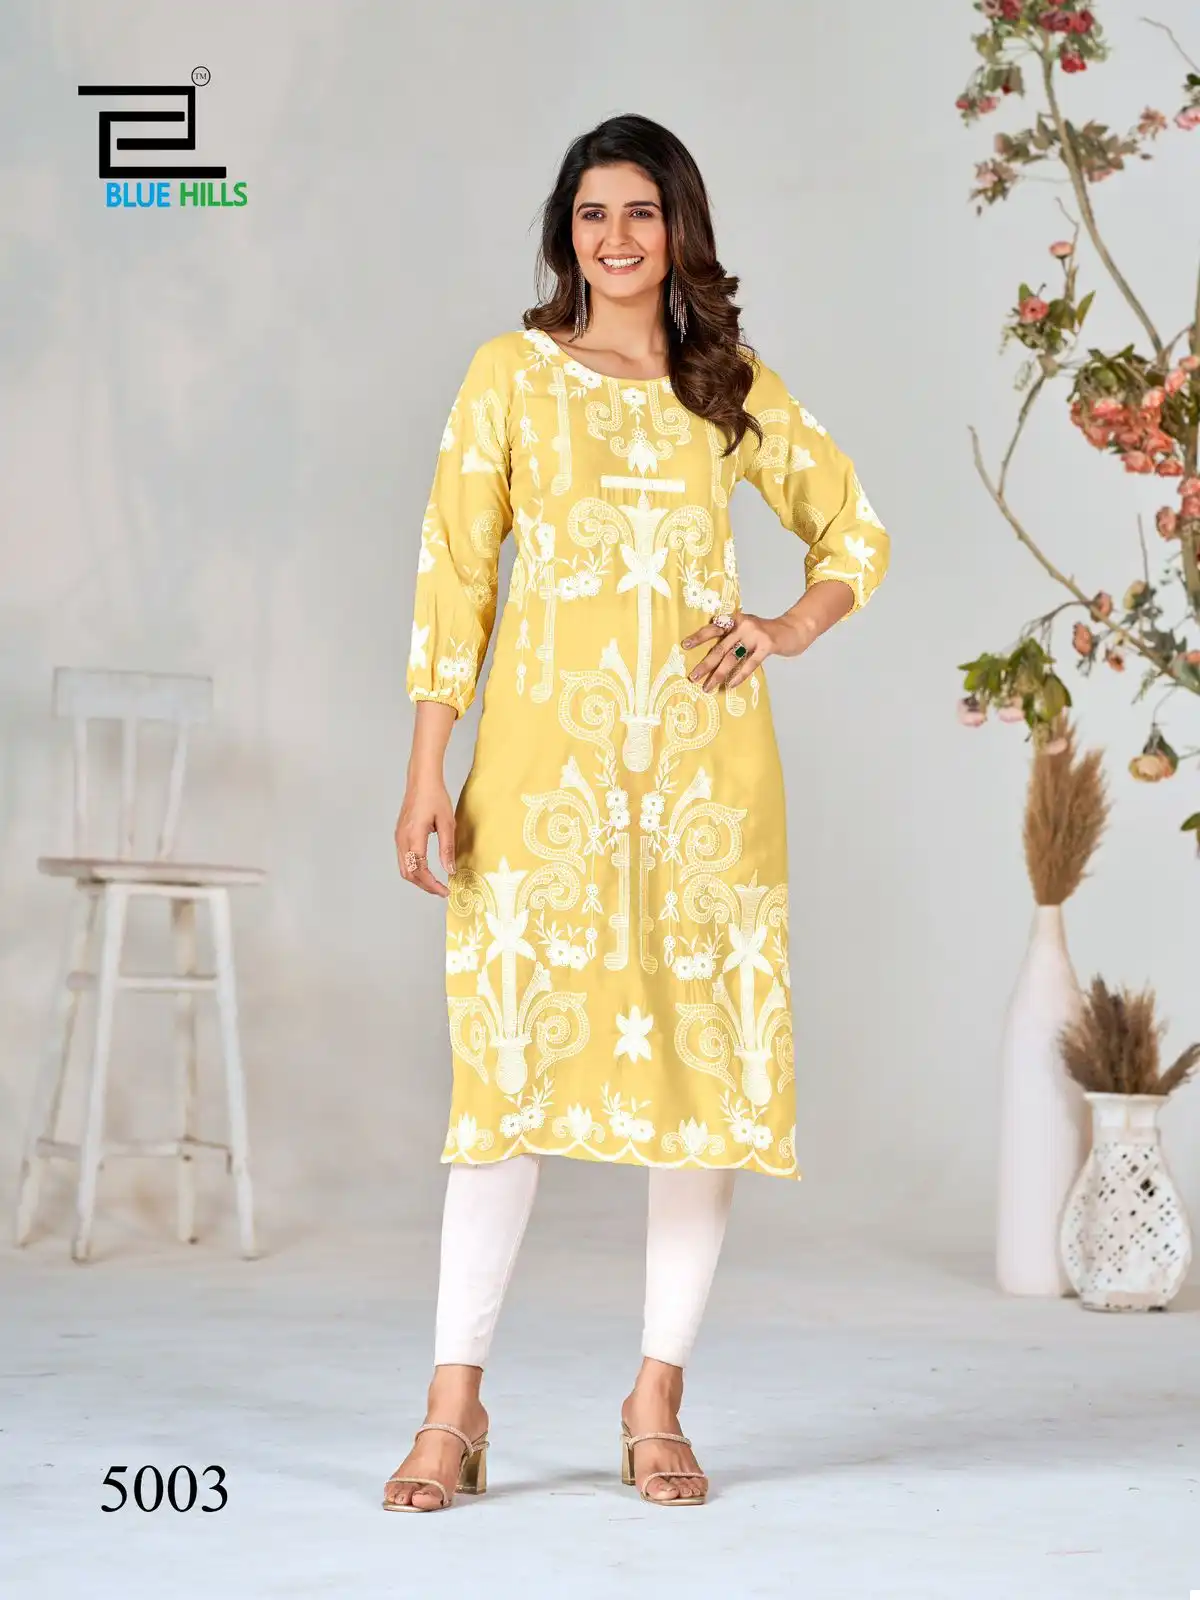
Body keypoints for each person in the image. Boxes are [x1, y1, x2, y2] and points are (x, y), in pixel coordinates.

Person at [383, 112, 890, 1512]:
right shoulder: (509, 375)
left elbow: (855, 531)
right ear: (567, 233)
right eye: (593, 213)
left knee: (704, 1092)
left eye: (642, 212)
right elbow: (454, 577)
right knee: (501, 1079)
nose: (616, 237)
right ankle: (452, 1407)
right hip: (538, 783)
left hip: (704, 794)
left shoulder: (727, 387)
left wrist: (785, 627)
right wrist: (428, 767)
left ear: (680, 231)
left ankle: (656, 1397)